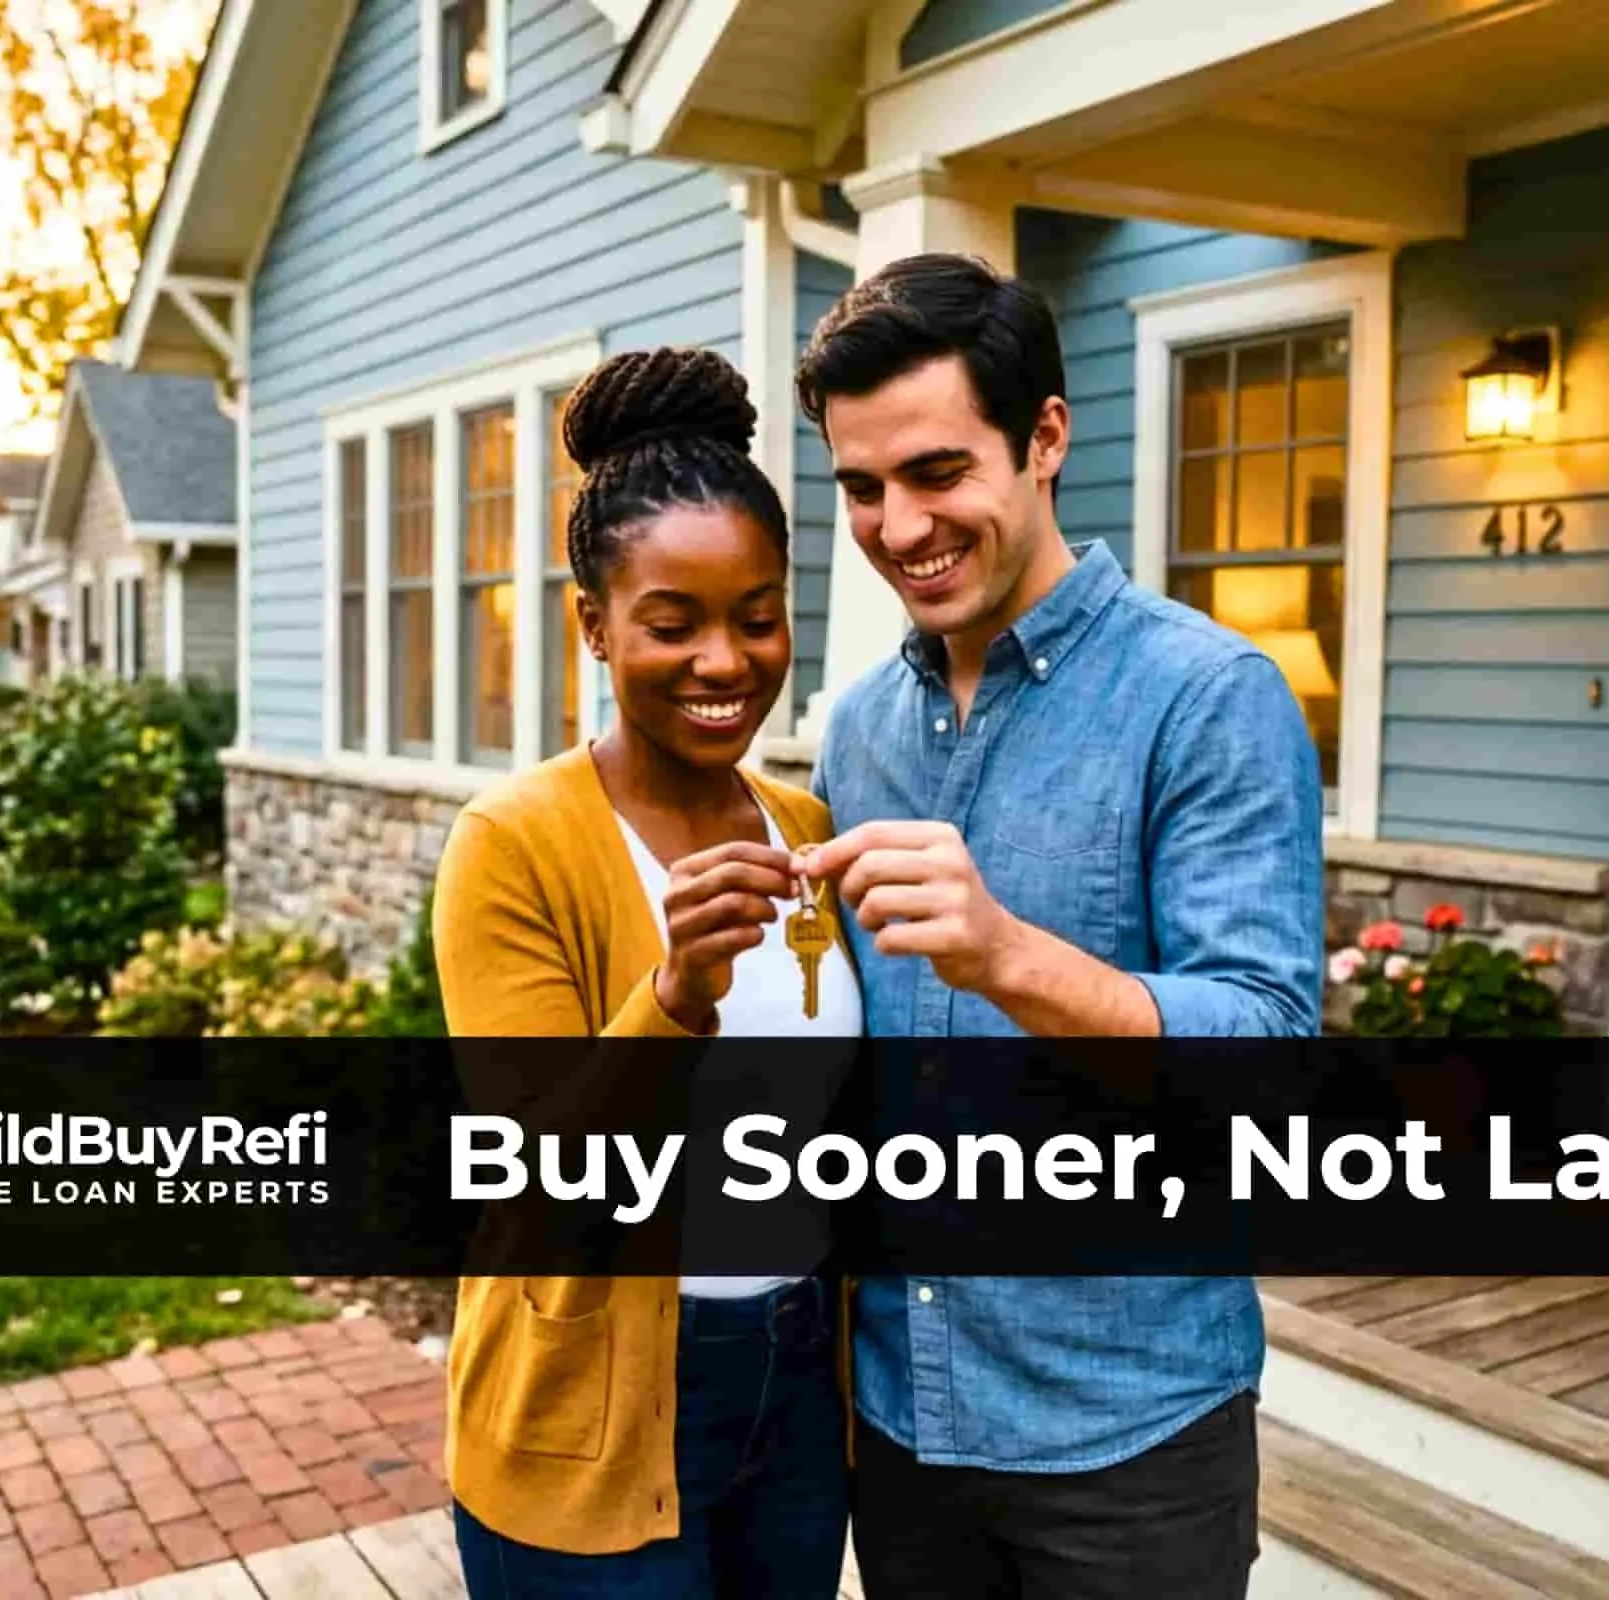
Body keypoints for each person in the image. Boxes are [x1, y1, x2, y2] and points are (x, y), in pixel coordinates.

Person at [790, 253, 1324, 1598]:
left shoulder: (1206, 698)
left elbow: (1266, 1052)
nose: (898, 525)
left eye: (936, 472)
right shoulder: (858, 729)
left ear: (1044, 438)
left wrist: (1008, 956)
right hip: (905, 1420)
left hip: (1128, 1434)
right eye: (861, 487)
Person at [430, 347, 860, 1598]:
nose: (725, 660)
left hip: (793, 1385)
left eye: (759, 614)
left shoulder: (806, 824)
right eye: (672, 624)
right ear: (595, 626)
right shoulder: (514, 843)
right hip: (594, 1397)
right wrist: (671, 1001)